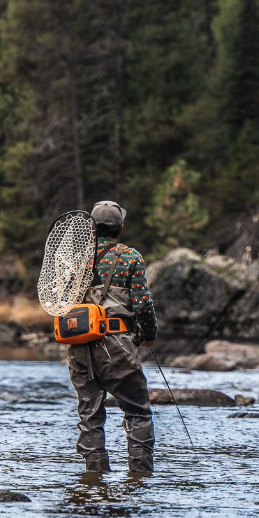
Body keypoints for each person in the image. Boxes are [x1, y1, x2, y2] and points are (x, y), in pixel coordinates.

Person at [66, 200, 158, 474]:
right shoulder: (130, 258)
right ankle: (140, 479)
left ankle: (94, 480)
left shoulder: (77, 259)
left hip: (79, 346)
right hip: (116, 343)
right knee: (138, 411)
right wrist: (147, 335)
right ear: (120, 228)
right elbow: (143, 305)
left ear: (92, 229)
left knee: (90, 415)